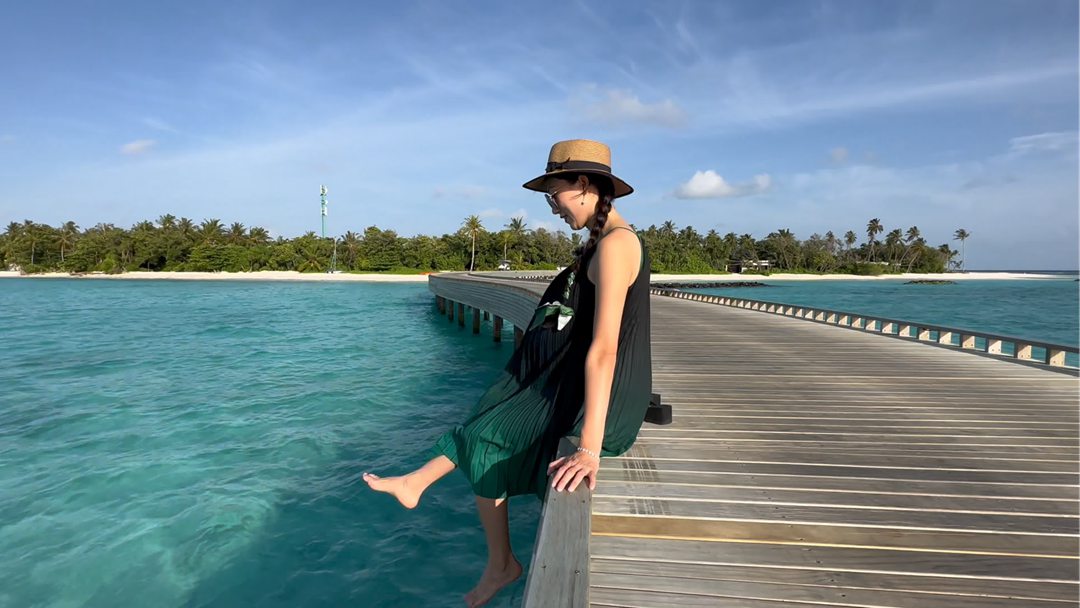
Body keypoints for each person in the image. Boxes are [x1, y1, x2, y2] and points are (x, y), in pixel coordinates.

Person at [363, 139, 652, 607]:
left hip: (608, 403)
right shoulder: (602, 243)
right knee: (491, 413)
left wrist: (588, 448)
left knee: (490, 435)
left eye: (553, 195)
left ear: (583, 185)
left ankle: (500, 563)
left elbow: (605, 350)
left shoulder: (617, 246)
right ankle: (426, 491)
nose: (553, 208)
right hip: (583, 384)